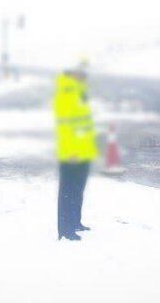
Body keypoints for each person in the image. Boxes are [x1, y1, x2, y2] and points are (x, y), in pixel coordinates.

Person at [54, 60, 98, 241]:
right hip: (71, 152)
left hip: (83, 150)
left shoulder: (79, 92)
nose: (85, 74)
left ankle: (75, 222)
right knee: (68, 191)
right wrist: (71, 150)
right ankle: (65, 229)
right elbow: (64, 126)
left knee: (78, 190)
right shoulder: (66, 93)